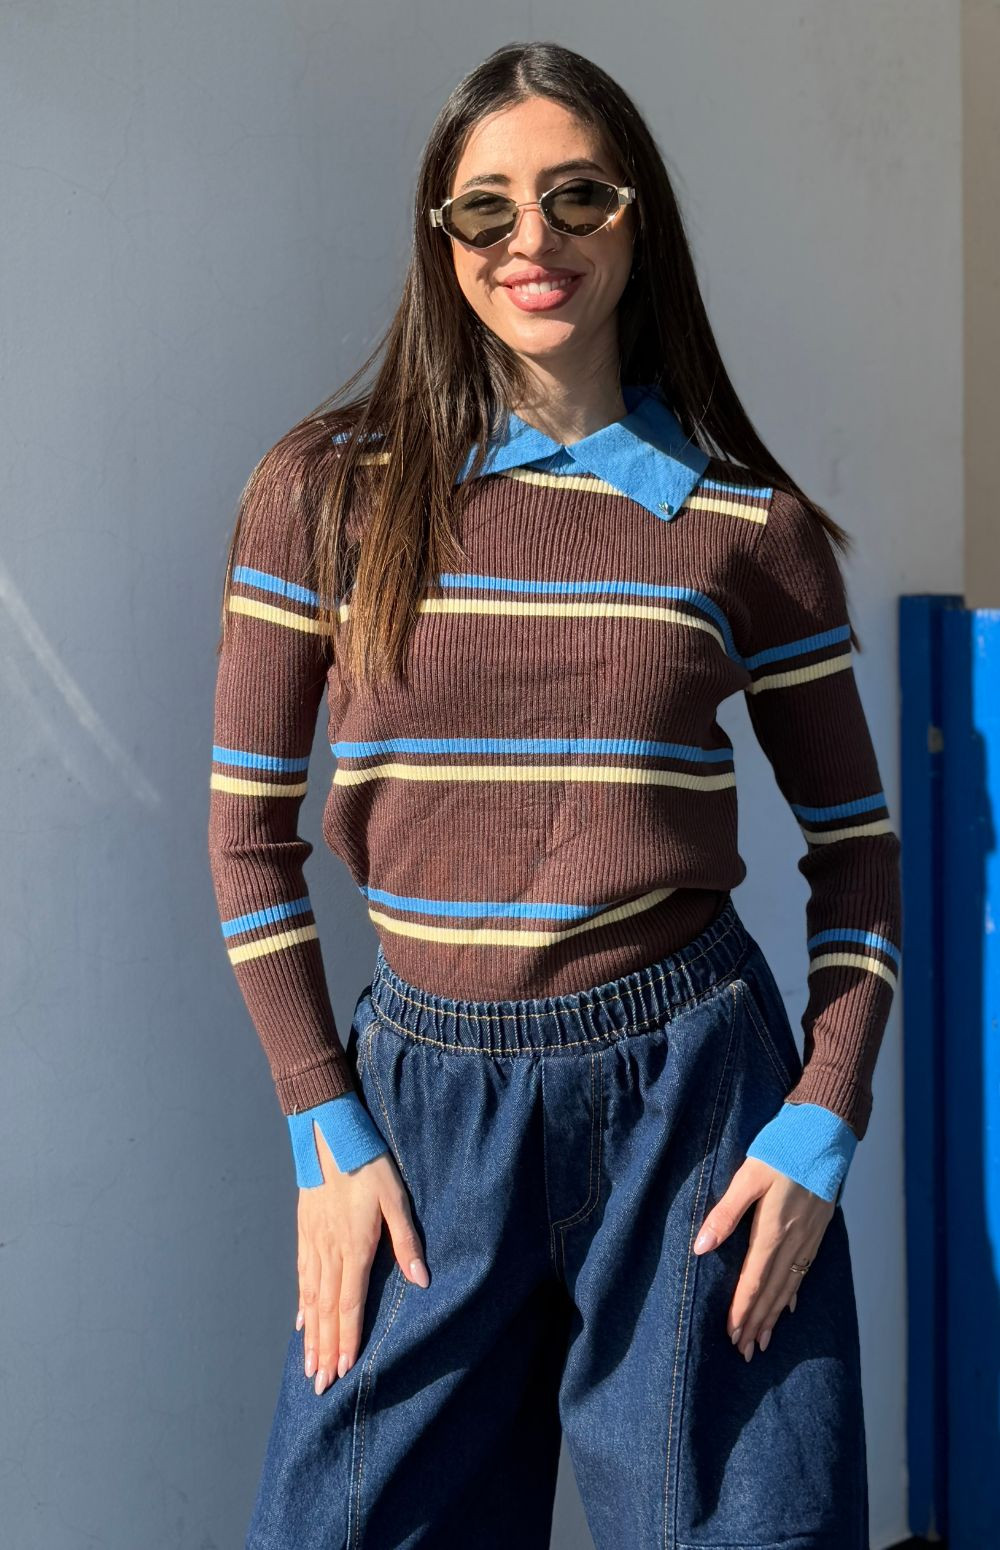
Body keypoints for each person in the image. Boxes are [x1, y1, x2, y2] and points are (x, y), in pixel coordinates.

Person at [208, 39, 901, 1550]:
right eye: (487, 208)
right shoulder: (324, 493)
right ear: (440, 236)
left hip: (694, 1104)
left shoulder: (746, 526)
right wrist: (321, 1125)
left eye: (578, 196)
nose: (534, 239)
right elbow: (249, 842)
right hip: (421, 1118)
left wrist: (824, 1115)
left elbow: (858, 856)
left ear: (637, 222)